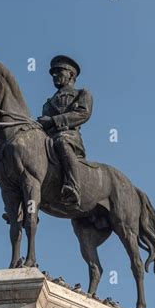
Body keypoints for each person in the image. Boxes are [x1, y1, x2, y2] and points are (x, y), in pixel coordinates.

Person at [38, 55, 93, 206]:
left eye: (59, 71)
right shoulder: (48, 103)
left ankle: (73, 186)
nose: (55, 76)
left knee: (61, 141)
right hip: (48, 140)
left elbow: (83, 113)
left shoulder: (82, 94)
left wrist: (54, 121)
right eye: (53, 73)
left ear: (71, 74)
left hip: (69, 137)